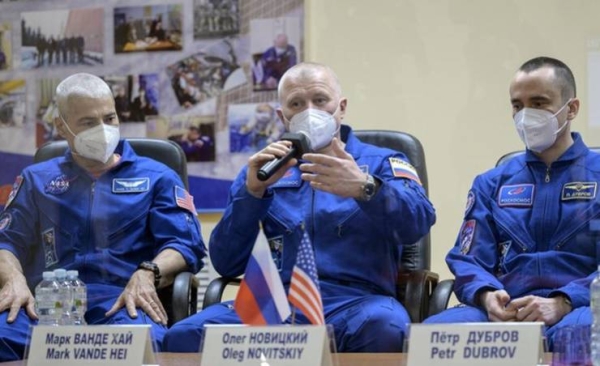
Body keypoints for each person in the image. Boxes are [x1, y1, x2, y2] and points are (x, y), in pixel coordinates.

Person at [163, 62, 436, 353]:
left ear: (340, 107)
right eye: (296, 103)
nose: (309, 111)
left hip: (356, 302)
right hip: (274, 302)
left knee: (386, 327)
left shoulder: (382, 161)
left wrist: (365, 186)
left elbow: (418, 222)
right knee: (184, 337)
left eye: (320, 100)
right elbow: (226, 262)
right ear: (283, 116)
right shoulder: (265, 169)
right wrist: (252, 193)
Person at [0, 73, 206, 361]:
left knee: (143, 346)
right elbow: (6, 242)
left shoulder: (157, 176)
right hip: (45, 306)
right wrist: (13, 280)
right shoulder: (36, 180)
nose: (103, 129)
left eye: (109, 118)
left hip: (123, 301)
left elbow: (184, 244)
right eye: (88, 122)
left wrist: (148, 273)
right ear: (61, 126)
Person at [424, 57, 594, 350]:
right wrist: (488, 296)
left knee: (579, 335)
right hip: (506, 311)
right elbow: (468, 259)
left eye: (539, 103)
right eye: (517, 105)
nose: (526, 115)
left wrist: (564, 301)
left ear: (572, 109)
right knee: (436, 334)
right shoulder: (492, 183)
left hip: (581, 309)